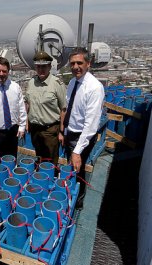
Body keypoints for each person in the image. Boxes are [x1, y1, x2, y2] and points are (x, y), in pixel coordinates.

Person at [59, 47, 105, 209]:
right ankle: (69, 194)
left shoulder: (94, 87)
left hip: (81, 137)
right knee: (71, 167)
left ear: (88, 63)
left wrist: (77, 151)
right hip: (70, 132)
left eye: (80, 63)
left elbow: (90, 125)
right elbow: (67, 108)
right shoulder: (72, 82)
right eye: (72, 63)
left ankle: (77, 204)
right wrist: (63, 131)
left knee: (78, 170)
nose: (75, 67)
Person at [25, 51, 67, 164]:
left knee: (51, 161)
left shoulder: (57, 84)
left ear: (49, 66)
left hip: (50, 131)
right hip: (35, 130)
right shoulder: (31, 82)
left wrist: (61, 132)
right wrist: (27, 123)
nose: (41, 69)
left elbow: (63, 109)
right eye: (38, 66)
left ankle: (49, 178)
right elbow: (27, 103)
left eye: (44, 66)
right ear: (35, 67)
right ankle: (41, 178)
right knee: (39, 157)